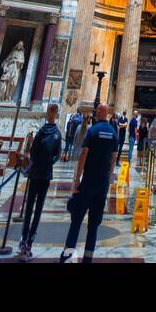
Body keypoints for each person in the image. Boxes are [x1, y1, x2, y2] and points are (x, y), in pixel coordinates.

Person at [60, 102, 119, 264]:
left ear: (99, 112)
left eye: (97, 110)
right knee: (94, 225)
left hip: (88, 180)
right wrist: (109, 176)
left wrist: (76, 179)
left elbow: (84, 154)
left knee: (76, 220)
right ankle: (88, 259)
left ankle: (66, 256)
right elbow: (114, 156)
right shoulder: (113, 132)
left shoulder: (93, 130)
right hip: (102, 183)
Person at [19, 102, 62, 260]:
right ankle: (24, 238)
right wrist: (40, 160)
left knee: (37, 209)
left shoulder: (57, 133)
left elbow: (58, 153)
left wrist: (50, 160)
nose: (51, 115)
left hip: (44, 174)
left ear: (55, 114)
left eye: (53, 113)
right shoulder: (42, 131)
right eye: (50, 112)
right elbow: (33, 150)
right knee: (30, 206)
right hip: (37, 172)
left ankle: (30, 239)